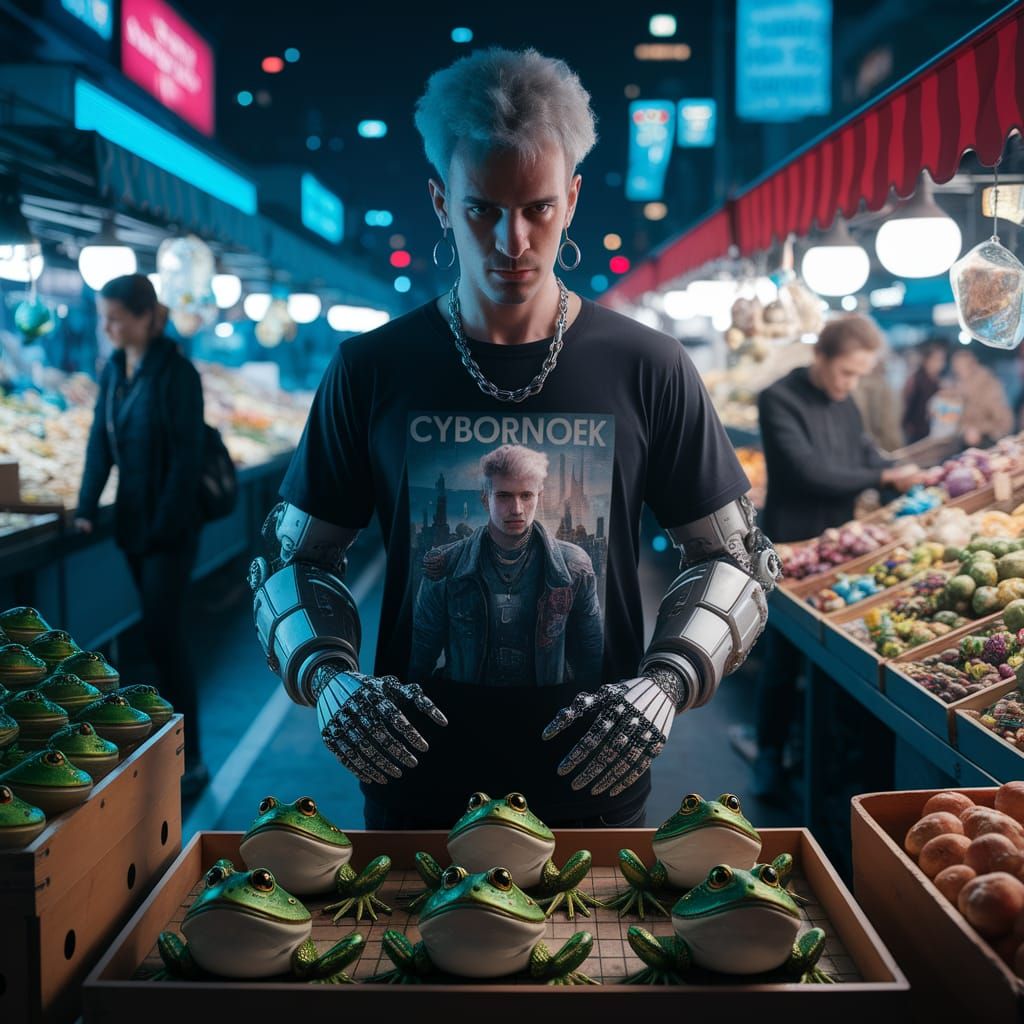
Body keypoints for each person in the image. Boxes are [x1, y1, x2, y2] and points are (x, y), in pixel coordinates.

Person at [249, 48, 780, 830]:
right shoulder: (370, 369)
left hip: (595, 781)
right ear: (440, 201)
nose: (511, 240)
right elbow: (293, 555)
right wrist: (329, 677)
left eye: (535, 208)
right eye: (482, 209)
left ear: (570, 199)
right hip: (418, 783)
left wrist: (665, 681)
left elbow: (735, 556)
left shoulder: (651, 367)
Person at [750, 313, 921, 798]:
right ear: (821, 356)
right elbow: (810, 474)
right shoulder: (778, 399)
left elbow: (864, 458)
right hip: (790, 551)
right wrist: (883, 477)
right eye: (846, 372)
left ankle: (818, 757)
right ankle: (769, 754)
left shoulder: (846, 405)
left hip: (842, 553)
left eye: (860, 374)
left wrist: (896, 470)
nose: (851, 383)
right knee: (783, 660)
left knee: (829, 666)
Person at [74, 274, 208, 796]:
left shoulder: (177, 374)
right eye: (104, 318)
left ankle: (189, 755)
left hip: (170, 529)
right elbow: (98, 444)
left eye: (114, 318)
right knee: (154, 634)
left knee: (163, 635)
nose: (106, 327)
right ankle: (160, 746)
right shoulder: (114, 370)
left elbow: (186, 461)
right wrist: (87, 506)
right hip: (133, 523)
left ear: (145, 316)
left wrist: (163, 528)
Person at [409, 443, 604, 687]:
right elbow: (418, 661)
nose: (517, 509)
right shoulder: (445, 566)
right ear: (485, 499)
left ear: (538, 498)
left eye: (526, 495)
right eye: (504, 496)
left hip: (547, 712)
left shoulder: (574, 566)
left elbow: (591, 661)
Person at [950, 346, 1013, 448]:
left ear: (972, 366)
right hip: (966, 441)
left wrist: (979, 429)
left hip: (990, 442)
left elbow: (1003, 422)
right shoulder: (959, 387)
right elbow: (961, 420)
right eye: (956, 369)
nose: (958, 374)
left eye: (960, 369)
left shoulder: (989, 387)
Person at [901, 338, 948, 445]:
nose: (941, 363)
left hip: (935, 434)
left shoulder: (938, 381)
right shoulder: (916, 380)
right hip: (917, 434)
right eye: (937, 359)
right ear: (927, 360)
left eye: (942, 360)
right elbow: (907, 408)